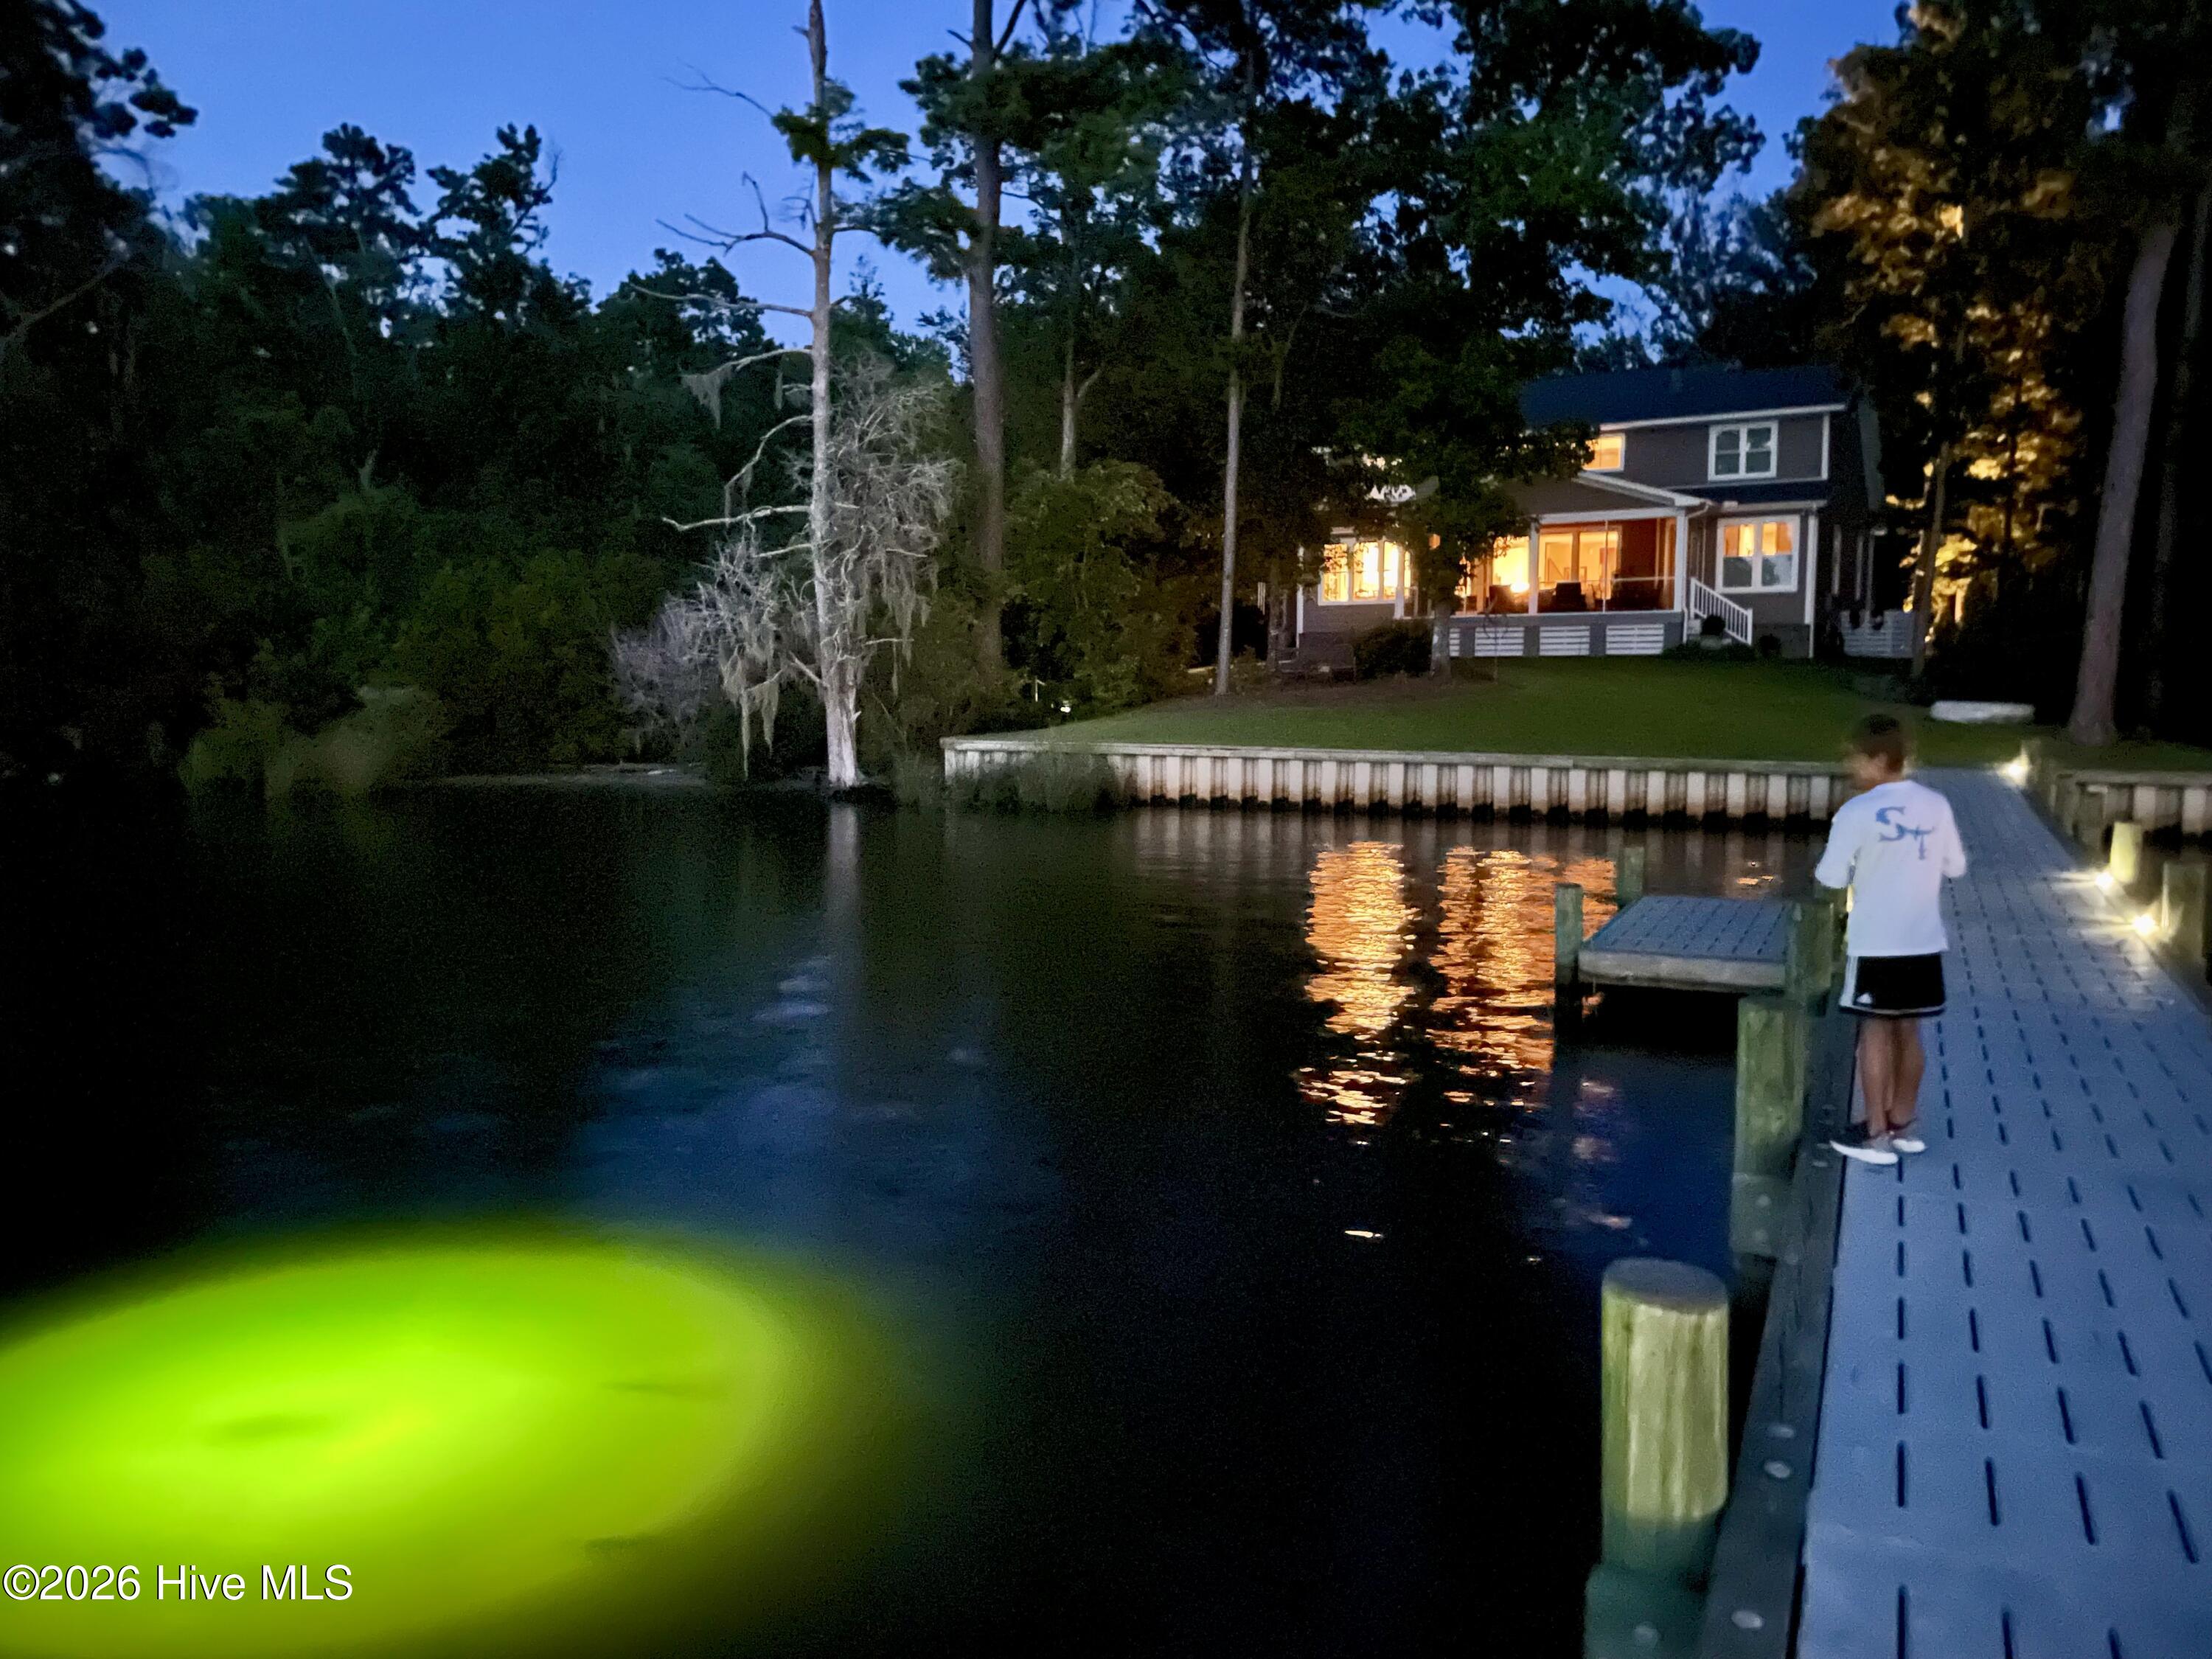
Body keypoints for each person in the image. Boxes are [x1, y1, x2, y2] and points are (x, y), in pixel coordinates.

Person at [1814, 714, 1968, 1166]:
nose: (1851, 767)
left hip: (1877, 942)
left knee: (1875, 1030)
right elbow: (1956, 866)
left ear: (1880, 759)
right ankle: (1904, 1123)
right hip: (1924, 939)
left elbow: (1830, 876)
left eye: (1856, 758)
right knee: (1909, 1029)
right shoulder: (1936, 805)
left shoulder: (1856, 812)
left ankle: (1876, 1134)